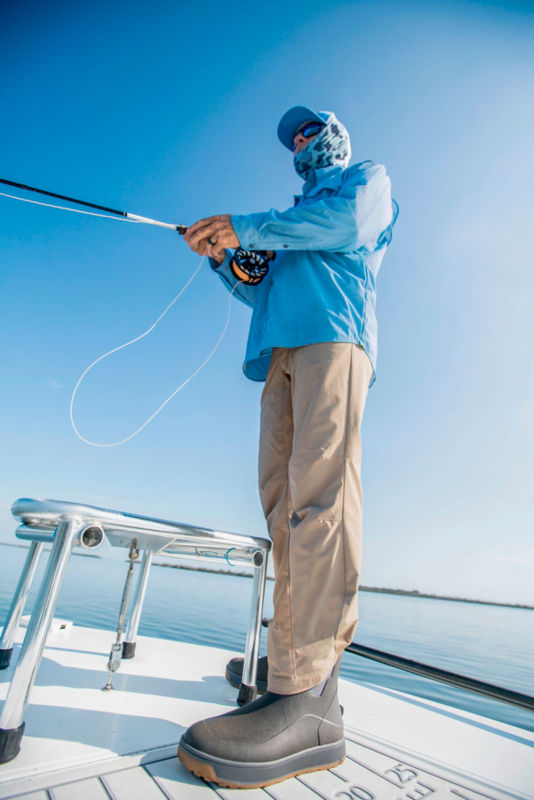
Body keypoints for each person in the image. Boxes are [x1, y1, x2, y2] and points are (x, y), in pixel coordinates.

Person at [179, 106, 397, 789]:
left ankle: (311, 699)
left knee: (321, 497)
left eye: (310, 130)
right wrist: (224, 259)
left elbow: (342, 227)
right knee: (283, 507)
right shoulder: (285, 220)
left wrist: (245, 226)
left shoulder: (364, 180)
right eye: (292, 137)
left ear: (334, 135)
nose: (301, 141)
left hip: (335, 338)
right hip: (280, 355)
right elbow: (262, 289)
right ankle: (289, 674)